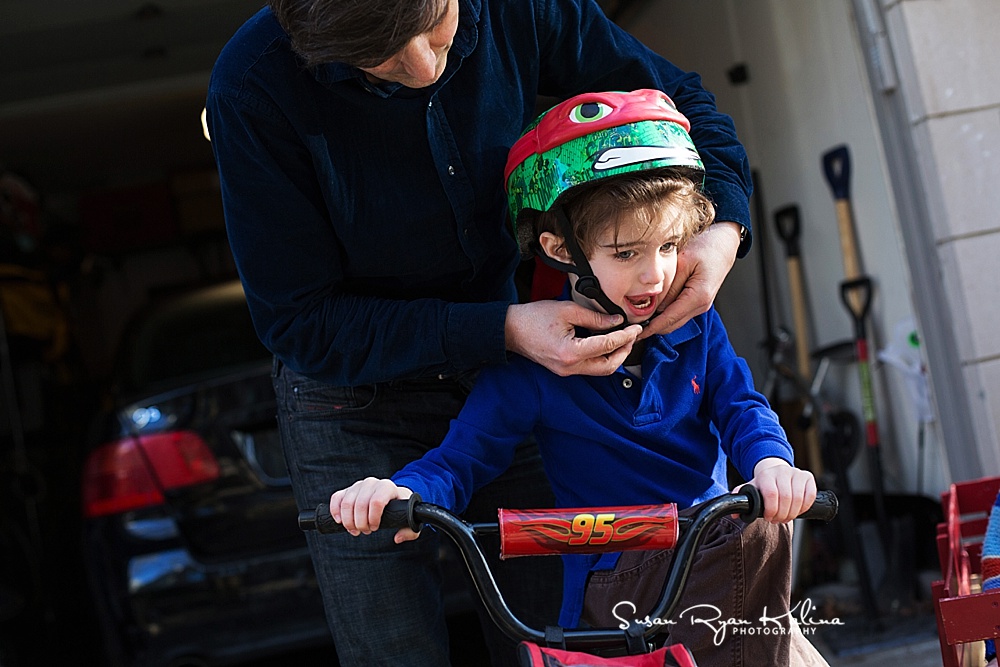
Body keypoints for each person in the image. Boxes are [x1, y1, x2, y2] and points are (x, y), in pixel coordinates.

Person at [206, 1, 753, 664]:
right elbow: (299, 320)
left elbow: (679, 97)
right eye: (380, 58)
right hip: (351, 402)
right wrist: (503, 328)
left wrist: (722, 227)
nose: (422, 67)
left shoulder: (519, 8)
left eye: (434, 31)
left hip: (514, 376)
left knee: (562, 634)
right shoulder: (252, 86)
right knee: (395, 650)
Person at [330, 89, 822, 667]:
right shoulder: (535, 367)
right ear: (561, 248)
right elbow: (458, 461)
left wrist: (771, 463)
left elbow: (741, 405)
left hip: (712, 551)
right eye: (625, 252)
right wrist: (402, 494)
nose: (655, 274)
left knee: (765, 559)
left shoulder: (697, 327)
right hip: (619, 582)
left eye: (669, 245)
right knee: (755, 550)